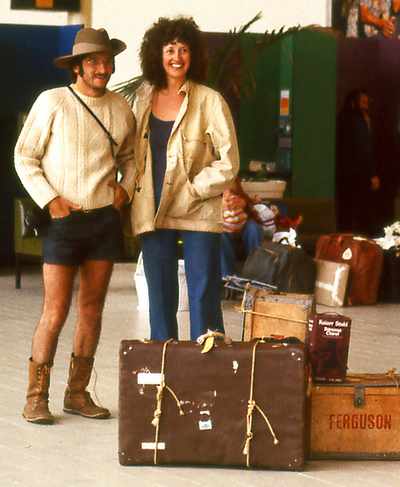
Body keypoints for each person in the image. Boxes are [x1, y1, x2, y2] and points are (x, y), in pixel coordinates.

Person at [14, 27, 135, 424]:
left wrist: (125, 188)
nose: (102, 68)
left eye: (106, 61)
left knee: (92, 311)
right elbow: (25, 156)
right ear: (78, 67)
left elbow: (132, 157)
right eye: (93, 62)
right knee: (55, 310)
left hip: (103, 221)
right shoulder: (52, 102)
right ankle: (36, 397)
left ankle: (77, 394)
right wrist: (51, 200)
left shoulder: (121, 108)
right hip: (64, 222)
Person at [131, 16, 239, 341]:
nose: (176, 57)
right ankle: (163, 361)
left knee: (203, 290)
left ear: (193, 55)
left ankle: (207, 367)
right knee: (159, 292)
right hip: (152, 207)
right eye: (169, 49)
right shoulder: (142, 98)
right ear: (157, 54)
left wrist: (195, 189)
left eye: (183, 49)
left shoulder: (210, 100)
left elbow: (229, 161)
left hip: (197, 209)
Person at [336, 89, 380, 235]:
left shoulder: (343, 117)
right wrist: (372, 174)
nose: (366, 106)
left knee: (348, 211)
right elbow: (364, 148)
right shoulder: (358, 120)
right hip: (360, 174)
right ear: (355, 103)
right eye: (363, 102)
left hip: (345, 173)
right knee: (363, 210)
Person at [220, 178, 265, 279]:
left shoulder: (243, 198)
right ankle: (228, 277)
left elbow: (254, 215)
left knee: (254, 227)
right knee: (219, 236)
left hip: (244, 232)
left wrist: (244, 204)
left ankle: (257, 273)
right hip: (224, 233)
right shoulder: (214, 197)